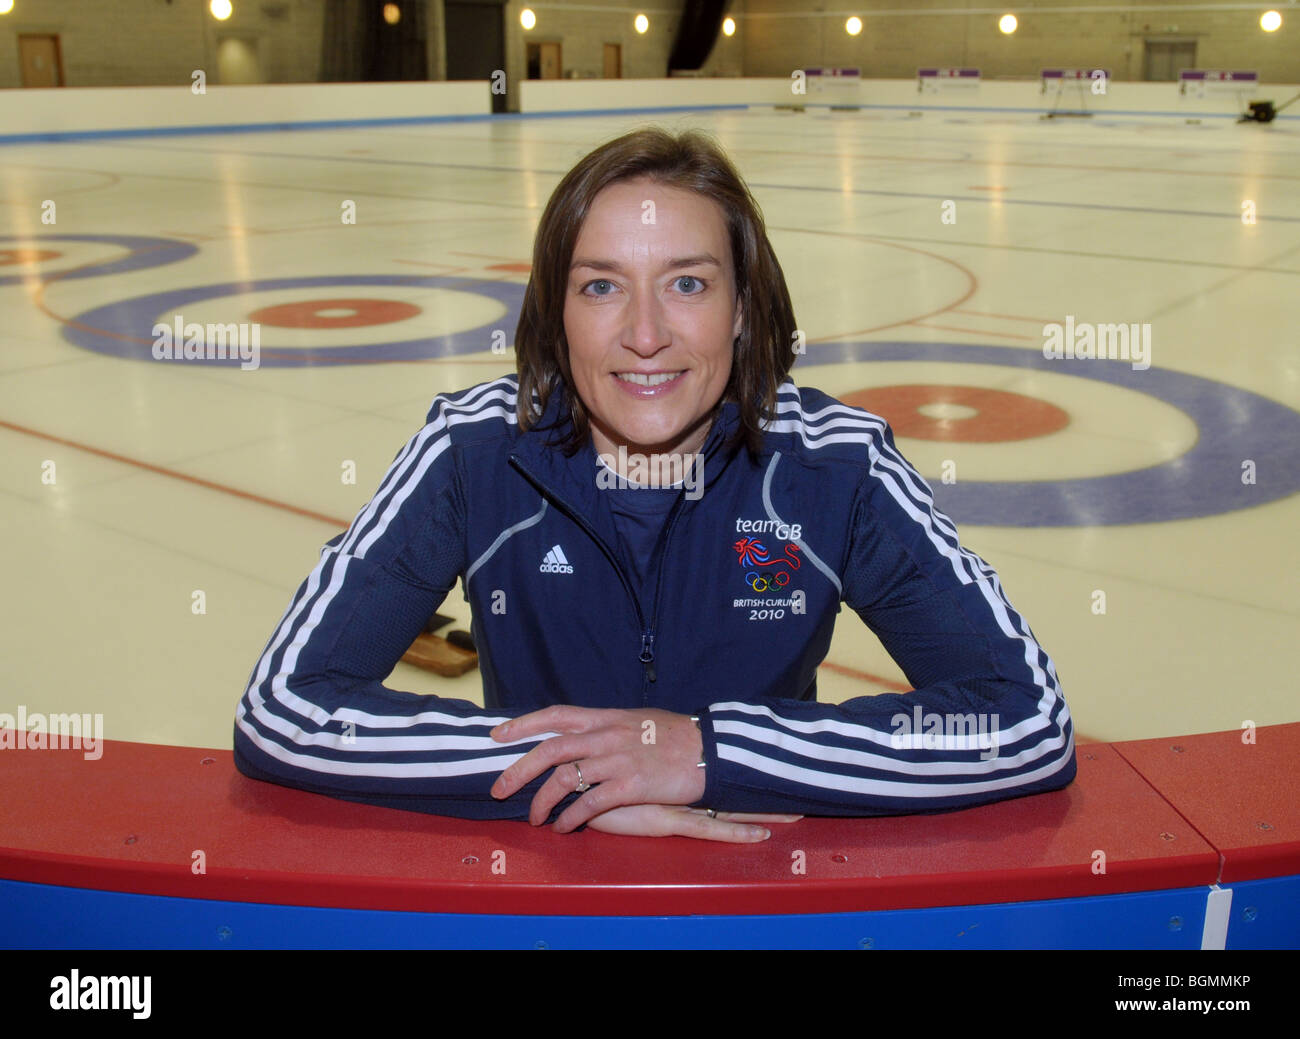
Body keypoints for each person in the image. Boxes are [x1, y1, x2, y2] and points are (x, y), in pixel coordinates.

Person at [233, 126, 1076, 843]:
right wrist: (583, 772)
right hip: (544, 893)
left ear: (743, 308)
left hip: (758, 897)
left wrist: (709, 755)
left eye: (687, 283)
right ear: (554, 313)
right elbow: (284, 708)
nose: (644, 334)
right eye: (601, 285)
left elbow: (1027, 722)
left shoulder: (836, 465)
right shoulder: (472, 449)